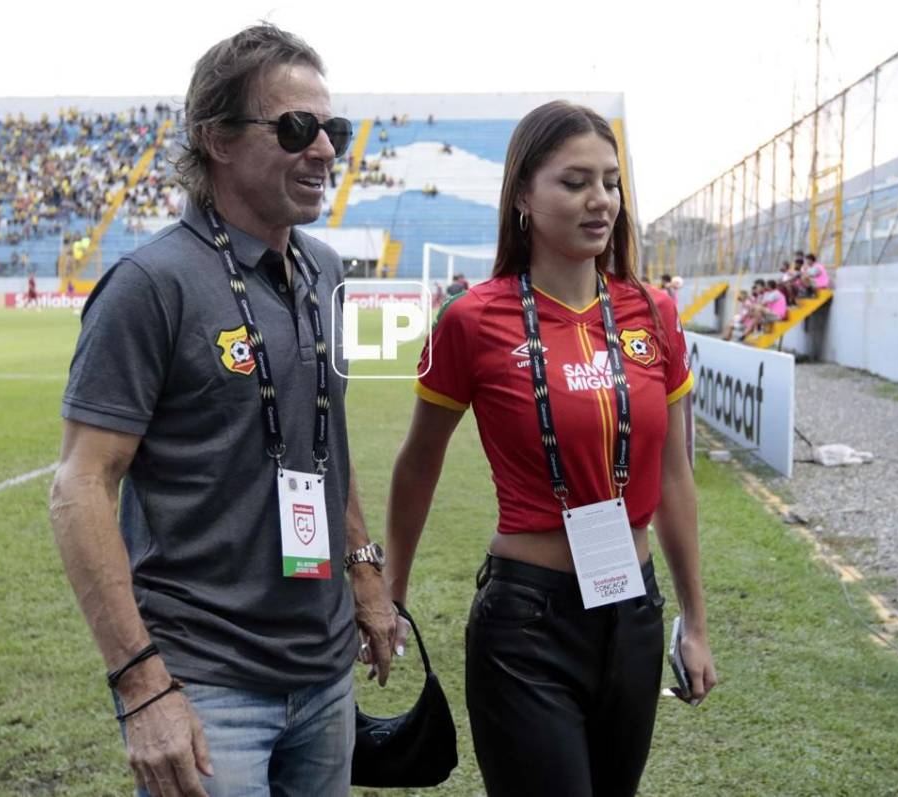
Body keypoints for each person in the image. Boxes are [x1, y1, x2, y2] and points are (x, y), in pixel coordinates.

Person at [49, 24, 397, 797]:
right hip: (206, 684)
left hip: (325, 669)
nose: (325, 150)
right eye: (296, 128)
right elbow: (80, 485)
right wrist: (143, 685)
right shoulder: (150, 284)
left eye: (334, 130)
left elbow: (322, 441)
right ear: (217, 139)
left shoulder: (325, 269)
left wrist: (366, 574)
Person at [384, 100, 716, 796]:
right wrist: (391, 595)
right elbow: (418, 465)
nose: (601, 201)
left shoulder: (653, 312)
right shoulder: (472, 319)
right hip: (525, 623)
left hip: (633, 612)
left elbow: (674, 478)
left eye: (611, 183)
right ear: (523, 197)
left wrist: (695, 621)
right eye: (575, 182)